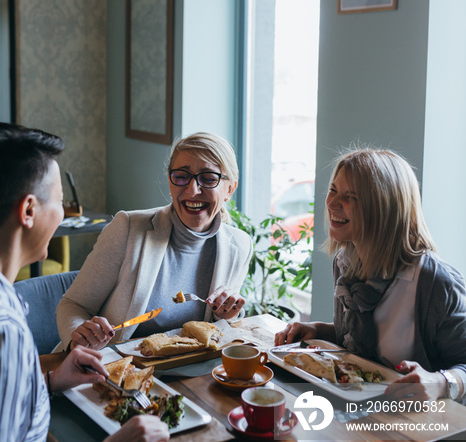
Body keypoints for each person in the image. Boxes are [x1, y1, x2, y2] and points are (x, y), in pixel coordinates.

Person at [0, 122, 169, 442]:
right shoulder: (5, 329)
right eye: (59, 200)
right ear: (29, 210)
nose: (62, 212)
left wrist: (51, 381)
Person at [275, 147, 466, 402]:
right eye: (333, 190)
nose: (331, 203)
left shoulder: (435, 282)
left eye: (350, 196)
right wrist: (319, 330)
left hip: (416, 427)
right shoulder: (345, 262)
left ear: (384, 206)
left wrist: (442, 382)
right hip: (357, 413)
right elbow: (368, 346)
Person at [57, 131, 252, 351]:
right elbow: (72, 305)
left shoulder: (239, 246)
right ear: (170, 183)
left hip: (188, 371)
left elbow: (218, 331)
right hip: (113, 365)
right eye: (181, 176)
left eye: (208, 178)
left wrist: (225, 313)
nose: (192, 190)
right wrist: (80, 339)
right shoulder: (128, 228)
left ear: (230, 189)